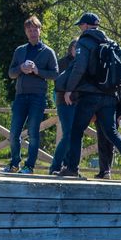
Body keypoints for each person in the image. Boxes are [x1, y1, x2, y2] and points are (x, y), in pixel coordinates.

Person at [58, 12, 121, 181]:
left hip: (89, 95)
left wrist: (69, 89)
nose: (80, 28)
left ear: (86, 26)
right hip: (110, 96)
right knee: (111, 132)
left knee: (76, 130)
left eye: (81, 25)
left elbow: (79, 67)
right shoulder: (111, 42)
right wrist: (111, 80)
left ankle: (72, 168)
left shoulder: (84, 42)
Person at [3, 16, 58, 174]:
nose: (33, 33)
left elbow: (55, 74)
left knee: (33, 133)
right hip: (20, 97)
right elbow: (11, 73)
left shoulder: (48, 52)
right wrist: (21, 67)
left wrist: (37, 71)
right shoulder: (20, 51)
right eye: (29, 30)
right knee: (14, 133)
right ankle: (14, 164)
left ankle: (29, 166)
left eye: (35, 29)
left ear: (40, 31)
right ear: (26, 32)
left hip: (37, 98)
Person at [50, 38, 78, 175]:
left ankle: (68, 166)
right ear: (70, 48)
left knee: (74, 135)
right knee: (67, 134)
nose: (77, 49)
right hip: (63, 102)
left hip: (77, 103)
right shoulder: (62, 63)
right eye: (74, 46)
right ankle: (55, 165)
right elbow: (57, 83)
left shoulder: (83, 63)